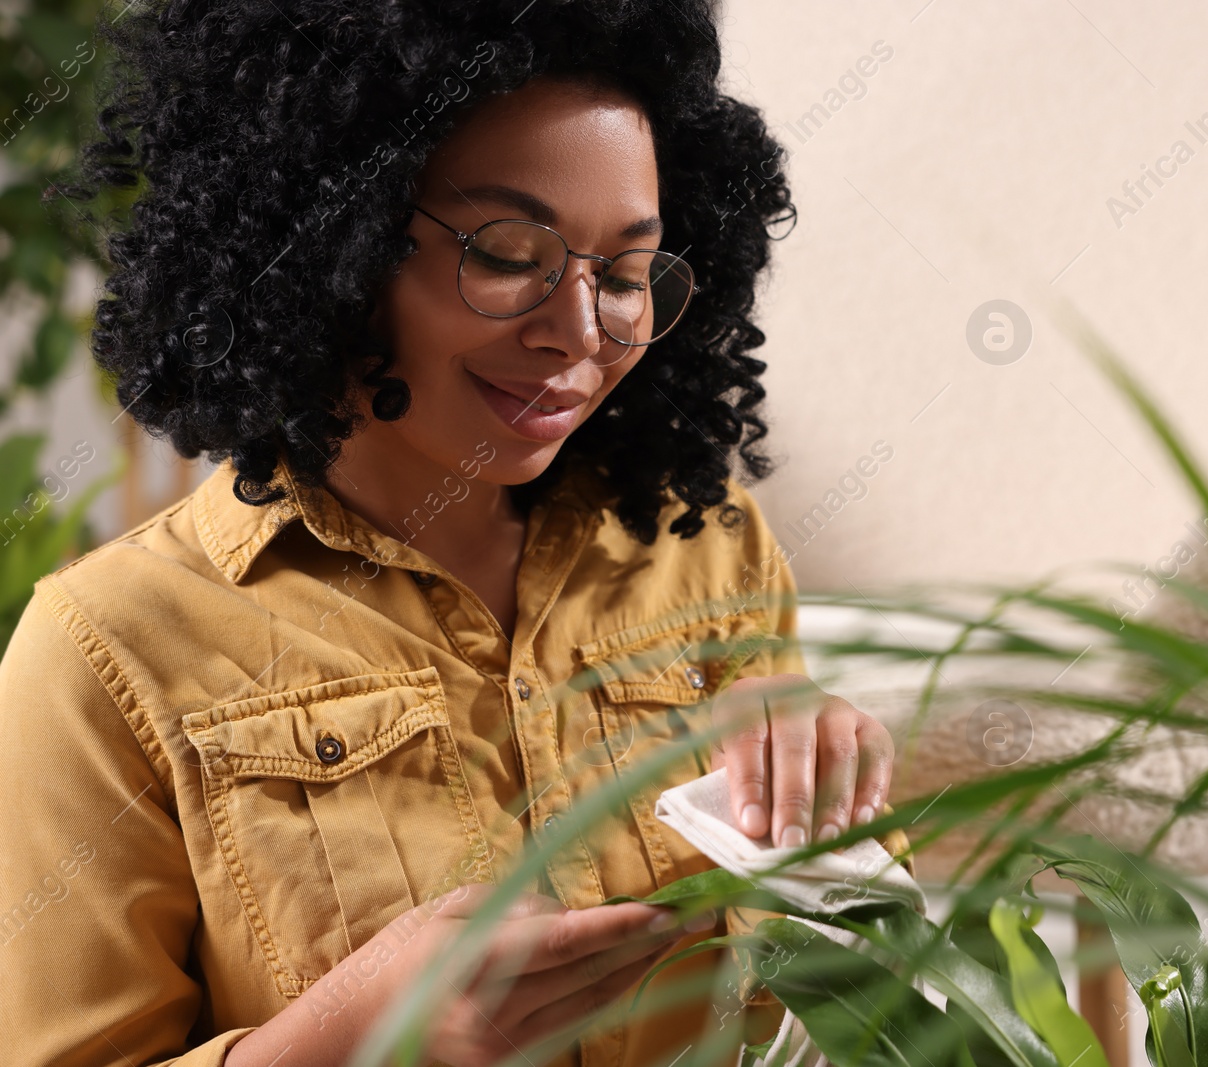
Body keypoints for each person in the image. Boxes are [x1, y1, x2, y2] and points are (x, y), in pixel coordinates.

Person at [0, 2, 900, 1065]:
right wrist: (344, 1039)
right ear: (334, 239)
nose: (577, 332)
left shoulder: (706, 544)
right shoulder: (110, 651)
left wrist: (827, 803)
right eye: (511, 253)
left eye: (623, 275)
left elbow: (845, 990)